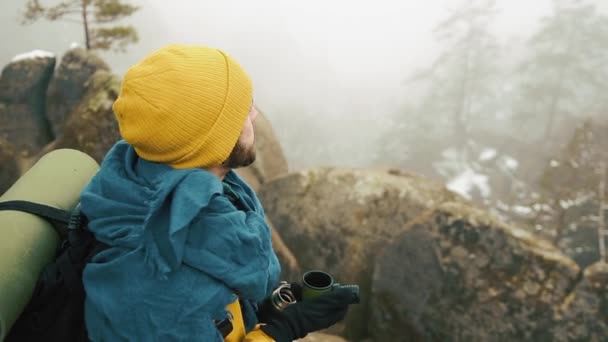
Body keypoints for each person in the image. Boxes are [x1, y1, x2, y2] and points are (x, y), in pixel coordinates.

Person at [79, 44, 356, 341]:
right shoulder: (156, 284)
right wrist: (282, 331)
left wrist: (272, 308)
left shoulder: (170, 195)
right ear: (209, 140)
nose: (256, 115)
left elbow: (215, 317)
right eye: (244, 108)